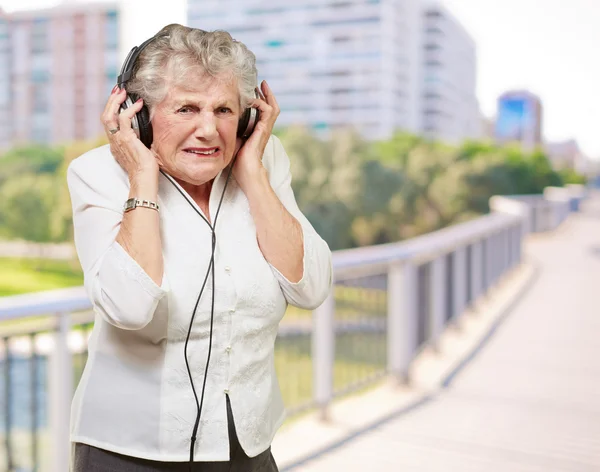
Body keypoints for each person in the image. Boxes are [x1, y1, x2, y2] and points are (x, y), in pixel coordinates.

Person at [67, 24, 332, 471]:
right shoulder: (97, 175)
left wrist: (252, 175)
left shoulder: (265, 162)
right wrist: (142, 180)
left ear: (247, 119)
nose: (208, 130)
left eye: (224, 110)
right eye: (187, 108)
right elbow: (129, 307)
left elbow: (312, 288)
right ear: (141, 114)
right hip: (130, 453)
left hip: (246, 448)